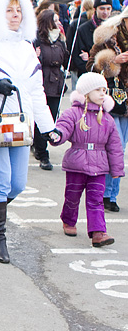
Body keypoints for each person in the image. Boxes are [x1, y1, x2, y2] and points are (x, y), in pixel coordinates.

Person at [0, 0, 59, 264]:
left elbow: (36, 92)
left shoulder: (27, 48)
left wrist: (48, 127)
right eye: (9, 9)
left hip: (20, 126)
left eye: (19, 10)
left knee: (16, 185)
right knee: (0, 181)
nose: (15, 15)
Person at [52, 72, 123, 246]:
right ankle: (68, 220)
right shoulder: (74, 113)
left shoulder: (107, 118)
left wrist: (117, 169)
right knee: (72, 196)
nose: (102, 94)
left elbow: (115, 147)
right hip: (77, 163)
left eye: (104, 90)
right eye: (97, 90)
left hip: (99, 166)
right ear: (86, 92)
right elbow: (64, 127)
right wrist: (57, 135)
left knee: (96, 200)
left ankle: (99, 233)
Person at [87, 5, 128, 213]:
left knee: (120, 150)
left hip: (127, 104)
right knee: (116, 148)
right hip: (111, 99)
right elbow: (90, 68)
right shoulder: (108, 34)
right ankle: (107, 195)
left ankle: (110, 194)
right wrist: (113, 60)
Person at [32, 9, 68, 171]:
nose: (59, 23)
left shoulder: (60, 40)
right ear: (47, 22)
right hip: (41, 83)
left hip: (56, 84)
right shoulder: (37, 40)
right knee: (41, 118)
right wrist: (36, 56)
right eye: (55, 20)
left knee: (52, 117)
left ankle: (38, 145)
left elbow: (65, 60)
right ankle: (42, 153)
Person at [72, 0, 113, 84]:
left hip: (112, 79)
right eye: (102, 9)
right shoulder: (83, 29)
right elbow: (78, 56)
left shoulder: (115, 28)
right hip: (90, 79)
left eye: (108, 8)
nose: (105, 12)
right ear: (95, 9)